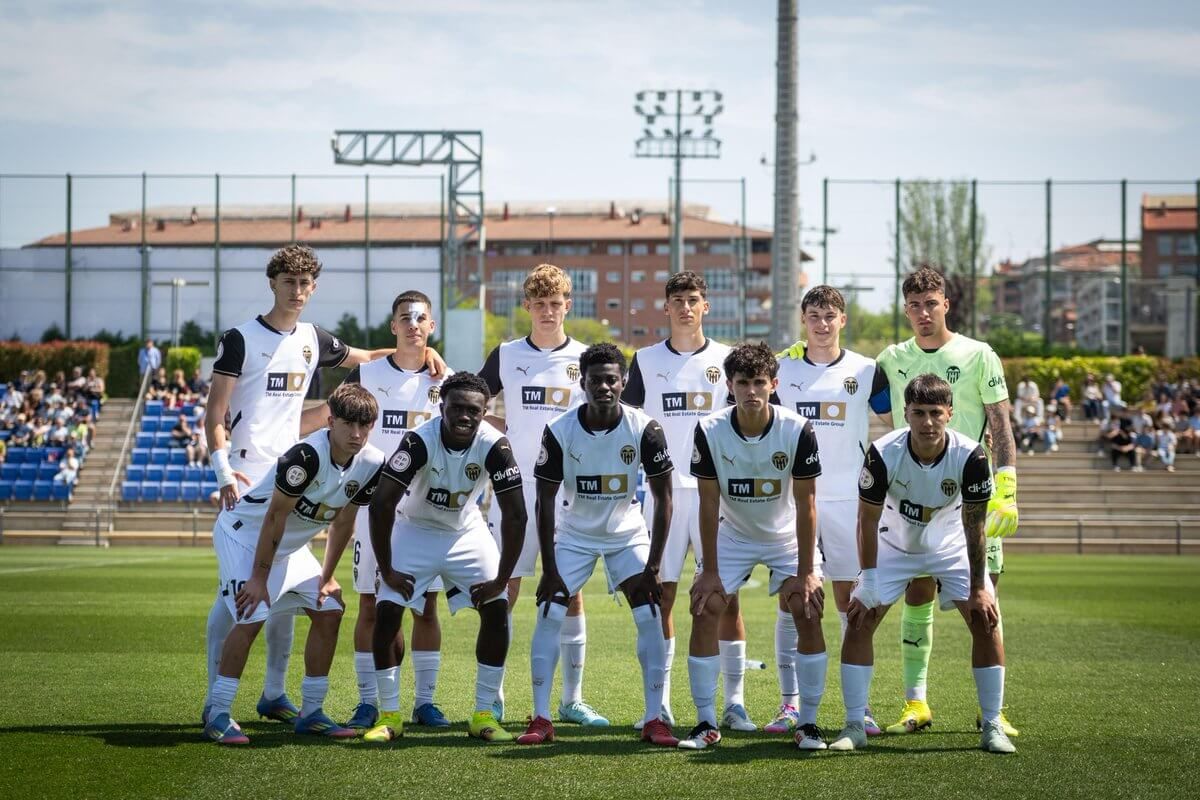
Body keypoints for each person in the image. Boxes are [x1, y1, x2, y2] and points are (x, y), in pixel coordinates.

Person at [201, 244, 419, 729]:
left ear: (313, 287)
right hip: (247, 477)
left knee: (292, 602)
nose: (297, 291)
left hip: (298, 467)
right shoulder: (239, 338)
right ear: (273, 283)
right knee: (240, 603)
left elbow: (373, 357)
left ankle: (275, 695)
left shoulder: (313, 339)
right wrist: (221, 471)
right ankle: (214, 703)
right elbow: (215, 414)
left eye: (305, 284)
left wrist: (425, 354)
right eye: (288, 282)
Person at [829, 374, 1014, 755]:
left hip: (950, 547)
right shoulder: (882, 453)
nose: (927, 422)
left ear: (950, 413)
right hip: (894, 545)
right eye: (918, 413)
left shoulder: (972, 456)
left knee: (986, 618)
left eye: (935, 413)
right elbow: (865, 520)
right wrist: (872, 579)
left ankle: (992, 724)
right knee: (860, 618)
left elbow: (975, 525)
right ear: (907, 415)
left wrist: (979, 587)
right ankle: (853, 725)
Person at [873, 266, 1019, 737]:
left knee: (984, 601)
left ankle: (990, 710)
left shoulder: (979, 355)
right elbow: (846, 385)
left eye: (930, 303)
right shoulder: (892, 357)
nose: (922, 313)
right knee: (916, 594)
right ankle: (916, 703)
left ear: (946, 305)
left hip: (972, 499)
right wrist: (797, 358)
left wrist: (1008, 489)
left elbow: (1000, 425)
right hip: (912, 498)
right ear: (905, 309)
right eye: (913, 305)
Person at [299, 290, 453, 733]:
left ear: (432, 326)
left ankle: (425, 702)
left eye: (421, 318)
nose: (413, 324)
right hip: (372, 506)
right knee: (369, 605)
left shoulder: (446, 380)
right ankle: (368, 703)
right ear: (393, 326)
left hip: (426, 510)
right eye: (405, 317)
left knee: (425, 608)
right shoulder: (365, 374)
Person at [202, 383, 386, 745]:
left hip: (288, 546)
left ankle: (312, 713)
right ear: (330, 421)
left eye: (365, 425)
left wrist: (327, 576)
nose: (357, 433)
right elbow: (275, 517)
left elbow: (345, 521)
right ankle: (218, 713)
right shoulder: (304, 456)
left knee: (330, 608)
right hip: (243, 536)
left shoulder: (371, 462)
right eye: (349, 424)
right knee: (252, 612)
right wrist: (259, 579)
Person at [517, 343, 679, 747]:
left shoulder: (645, 427)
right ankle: (541, 718)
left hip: (626, 533)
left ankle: (654, 718)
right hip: (575, 535)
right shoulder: (559, 430)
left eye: (611, 379)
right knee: (549, 613)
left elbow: (664, 497)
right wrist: (550, 568)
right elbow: (545, 499)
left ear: (623, 382)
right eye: (595, 380)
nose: (604, 387)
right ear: (582, 382)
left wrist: (653, 566)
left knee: (650, 615)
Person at [362, 372, 527, 744]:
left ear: (486, 412)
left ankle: (484, 715)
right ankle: (390, 717)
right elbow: (382, 503)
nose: (465, 416)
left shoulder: (495, 445)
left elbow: (516, 515)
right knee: (388, 611)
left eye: (474, 410)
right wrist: (386, 568)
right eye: (457, 408)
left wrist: (501, 579)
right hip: (415, 529)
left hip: (465, 531)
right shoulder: (419, 440)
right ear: (442, 407)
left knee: (497, 608)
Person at [622, 271, 750, 731]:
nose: (685, 308)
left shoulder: (725, 360)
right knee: (661, 596)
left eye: (693, 299)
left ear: (705, 306)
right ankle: (659, 704)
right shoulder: (645, 360)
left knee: (726, 598)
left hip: (717, 493)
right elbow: (629, 423)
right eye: (677, 300)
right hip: (665, 494)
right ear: (667, 307)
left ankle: (734, 704)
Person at [682, 343, 824, 750]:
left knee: (807, 607)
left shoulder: (798, 429)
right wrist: (708, 569)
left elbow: (806, 503)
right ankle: (706, 722)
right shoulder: (709, 429)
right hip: (733, 534)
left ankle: (808, 723)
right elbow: (708, 503)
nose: (751, 391)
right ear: (729, 385)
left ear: (774, 384)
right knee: (706, 606)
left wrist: (806, 571)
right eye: (742, 383)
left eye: (759, 382)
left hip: (784, 534)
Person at [478, 264, 602, 726]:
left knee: (570, 590)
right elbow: (468, 403)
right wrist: (502, 435)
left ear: (568, 304)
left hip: (569, 490)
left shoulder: (587, 358)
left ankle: (572, 700)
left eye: (556, 303)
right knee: (503, 587)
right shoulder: (507, 355)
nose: (548, 312)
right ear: (527, 306)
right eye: (540, 304)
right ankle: (493, 696)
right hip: (516, 488)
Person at [771, 285, 887, 739]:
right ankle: (789, 703)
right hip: (792, 499)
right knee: (791, 598)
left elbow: (895, 425)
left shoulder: (867, 370)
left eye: (830, 315)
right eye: (814, 315)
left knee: (849, 601)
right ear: (804, 318)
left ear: (843, 320)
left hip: (846, 501)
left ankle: (859, 706)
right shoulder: (782, 369)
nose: (822, 323)